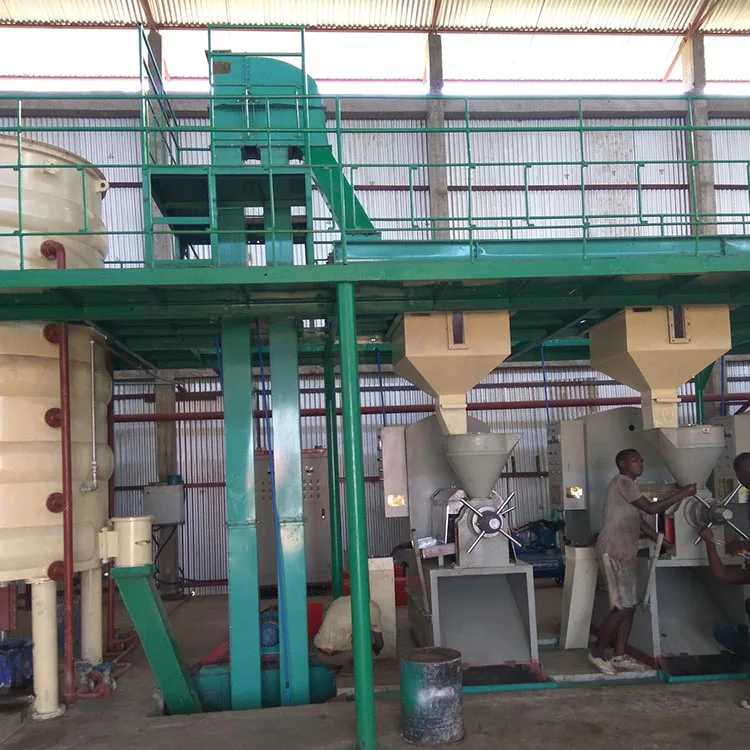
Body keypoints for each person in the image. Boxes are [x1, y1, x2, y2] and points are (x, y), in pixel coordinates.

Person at [588, 448, 696, 675]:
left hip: (626, 552)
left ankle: (619, 655)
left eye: (641, 460)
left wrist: (659, 539)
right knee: (620, 607)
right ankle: (597, 653)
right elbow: (650, 508)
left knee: (629, 607)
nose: (641, 464)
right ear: (622, 464)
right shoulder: (622, 482)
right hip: (613, 550)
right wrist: (682, 494)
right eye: (635, 461)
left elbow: (638, 520)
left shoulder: (630, 487)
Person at [313, 595, 384, 674]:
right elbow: (379, 644)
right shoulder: (371, 606)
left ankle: (335, 666)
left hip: (320, 655)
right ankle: (351, 667)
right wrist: (374, 652)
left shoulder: (339, 600)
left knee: (343, 633)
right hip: (342, 656)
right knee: (369, 634)